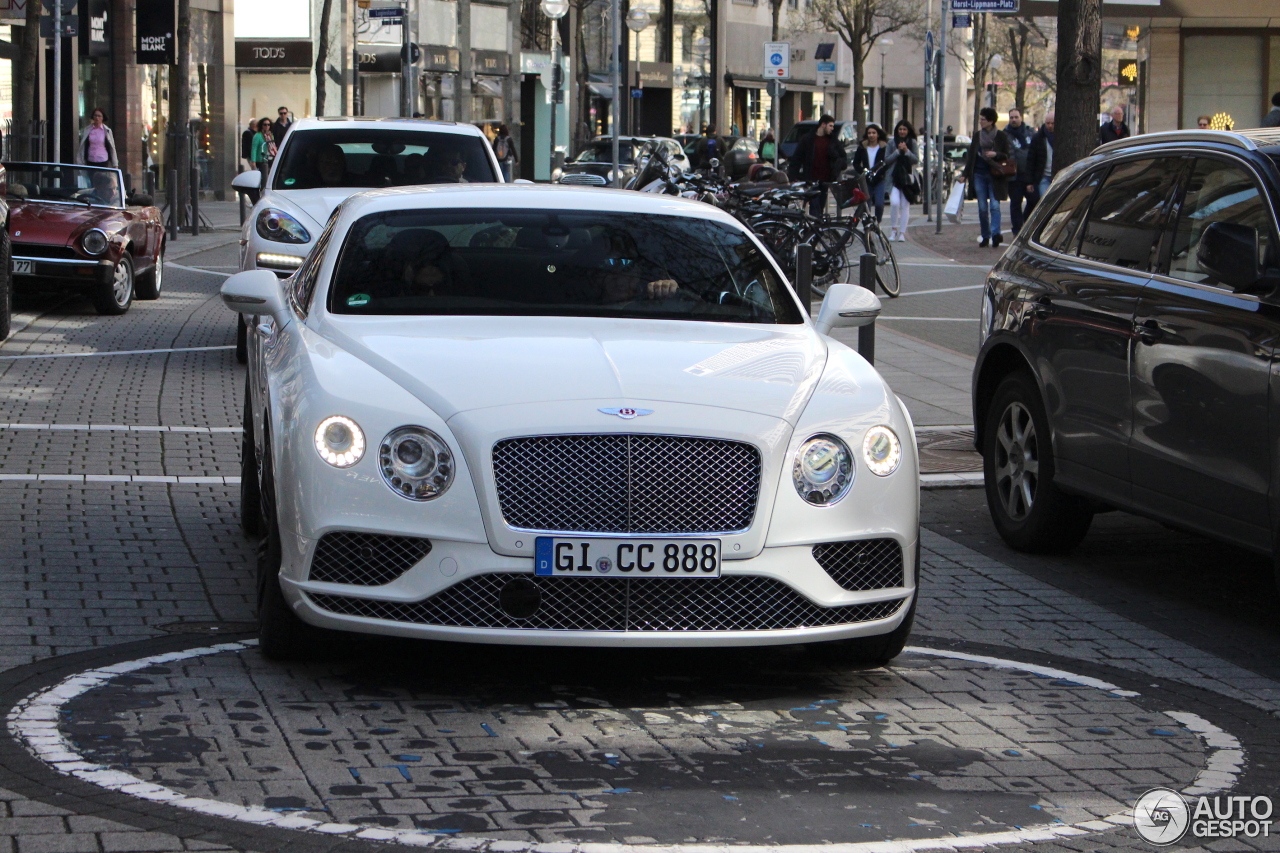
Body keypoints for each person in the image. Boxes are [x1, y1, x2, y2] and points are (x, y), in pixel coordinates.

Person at [963, 106, 1012, 248]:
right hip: (979, 174)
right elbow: (972, 156)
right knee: (982, 208)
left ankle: (996, 234)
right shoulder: (977, 136)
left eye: (983, 119)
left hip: (995, 175)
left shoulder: (1001, 136)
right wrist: (965, 175)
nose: (981, 122)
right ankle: (985, 235)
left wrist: (996, 154)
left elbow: (1006, 155)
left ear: (991, 121)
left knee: (995, 206)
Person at [789, 114, 847, 216]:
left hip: (825, 180)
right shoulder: (808, 139)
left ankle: (817, 228)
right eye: (830, 126)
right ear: (823, 125)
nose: (832, 129)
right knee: (814, 207)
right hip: (812, 179)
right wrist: (793, 175)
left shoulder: (832, 140)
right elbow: (797, 158)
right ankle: (815, 229)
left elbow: (842, 157)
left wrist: (837, 166)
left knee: (820, 207)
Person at [883, 120, 918, 242]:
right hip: (894, 178)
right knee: (894, 202)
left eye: (904, 129)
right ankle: (893, 230)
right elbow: (887, 160)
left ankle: (902, 232)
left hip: (907, 179)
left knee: (905, 205)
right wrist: (898, 151)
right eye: (900, 129)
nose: (902, 132)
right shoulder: (892, 143)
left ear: (908, 131)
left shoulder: (912, 142)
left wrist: (907, 151)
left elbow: (915, 160)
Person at [1004, 108, 1036, 236]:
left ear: (1021, 118)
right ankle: (1017, 230)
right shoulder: (1005, 135)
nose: (1014, 120)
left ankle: (1026, 222)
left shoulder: (1030, 132)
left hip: (1029, 174)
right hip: (1014, 176)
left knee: (1034, 200)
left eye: (1016, 117)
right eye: (1011, 117)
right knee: (1015, 203)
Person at [851, 123, 888, 221]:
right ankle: (866, 224)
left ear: (878, 134)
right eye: (869, 133)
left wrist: (880, 174)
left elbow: (886, 163)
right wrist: (863, 171)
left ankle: (877, 222)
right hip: (866, 180)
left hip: (879, 179)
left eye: (874, 133)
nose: (871, 135)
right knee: (866, 205)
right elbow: (856, 163)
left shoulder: (883, 147)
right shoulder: (862, 147)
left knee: (879, 204)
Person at [1026, 111, 1055, 206]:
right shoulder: (1038, 138)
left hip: (1057, 175)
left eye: (1052, 123)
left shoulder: (1061, 138)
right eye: (1048, 123)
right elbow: (1031, 160)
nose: (1050, 126)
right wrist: (1029, 182)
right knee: (1045, 203)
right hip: (1044, 176)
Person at [251, 119, 275, 185]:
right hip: (261, 159)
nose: (267, 126)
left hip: (270, 158)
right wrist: (253, 161)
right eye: (265, 124)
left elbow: (272, 146)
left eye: (268, 124)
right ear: (261, 125)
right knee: (264, 179)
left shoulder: (270, 135)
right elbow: (254, 148)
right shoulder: (258, 136)